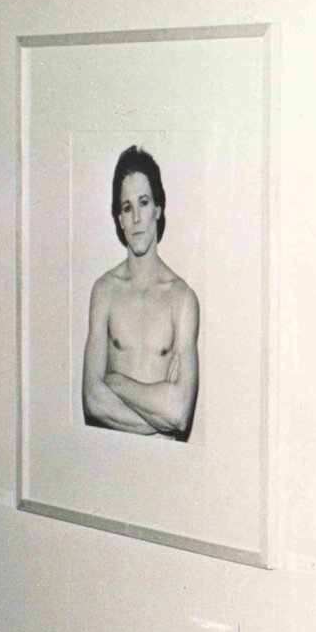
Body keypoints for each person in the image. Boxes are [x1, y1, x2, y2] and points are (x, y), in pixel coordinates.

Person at [82, 144, 200, 439]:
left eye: (143, 203)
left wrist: (115, 382)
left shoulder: (182, 299)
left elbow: (180, 413)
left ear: (158, 210)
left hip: (164, 458)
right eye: (127, 207)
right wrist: (160, 414)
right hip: (112, 454)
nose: (136, 218)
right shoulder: (104, 292)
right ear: (119, 219)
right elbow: (93, 400)